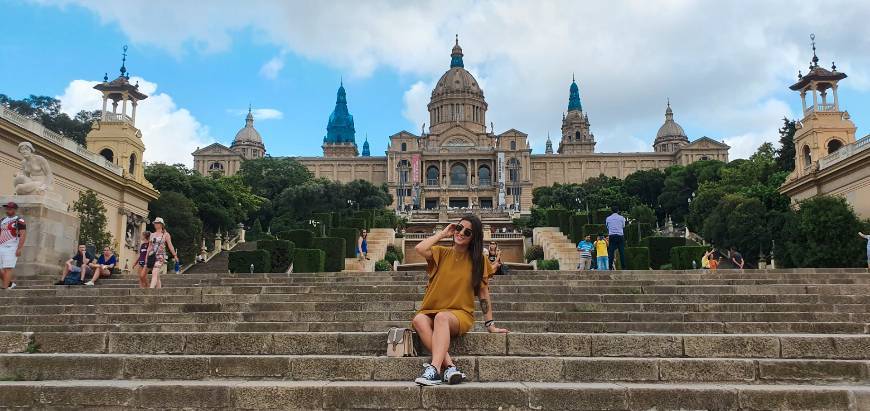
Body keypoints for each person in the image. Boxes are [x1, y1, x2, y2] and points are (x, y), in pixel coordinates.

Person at [411, 215, 508, 386]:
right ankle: (449, 367)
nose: (461, 233)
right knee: (418, 319)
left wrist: (490, 325)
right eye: (458, 228)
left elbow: (484, 294)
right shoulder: (441, 252)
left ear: (474, 237)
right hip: (431, 311)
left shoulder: (479, 261)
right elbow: (419, 248)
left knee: (442, 317)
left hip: (459, 315)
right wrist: (442, 234)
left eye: (467, 231)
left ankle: (434, 369)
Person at [146, 217, 178, 289]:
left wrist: (175, 255)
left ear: (161, 224)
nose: (155, 224)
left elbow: (170, 245)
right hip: (153, 256)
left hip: (161, 256)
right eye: (155, 223)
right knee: (157, 275)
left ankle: (150, 289)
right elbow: (150, 247)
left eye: (157, 223)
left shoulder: (166, 235)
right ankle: (159, 290)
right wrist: (146, 257)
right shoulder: (152, 234)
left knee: (154, 272)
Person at [0, 202, 26, 289]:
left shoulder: (19, 220)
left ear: (15, 210)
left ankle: (4, 288)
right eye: (7, 208)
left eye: (10, 209)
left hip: (11, 247)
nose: (8, 210)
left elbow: (23, 235)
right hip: (1, 246)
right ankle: (10, 284)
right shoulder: (2, 220)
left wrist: (19, 248)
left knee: (8, 268)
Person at [605, 206, 627, 270]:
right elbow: (623, 226)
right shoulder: (622, 218)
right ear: (618, 211)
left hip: (612, 236)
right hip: (620, 235)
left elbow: (607, 226)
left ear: (611, 211)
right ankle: (624, 267)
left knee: (611, 252)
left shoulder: (608, 218)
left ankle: (610, 267)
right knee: (621, 252)